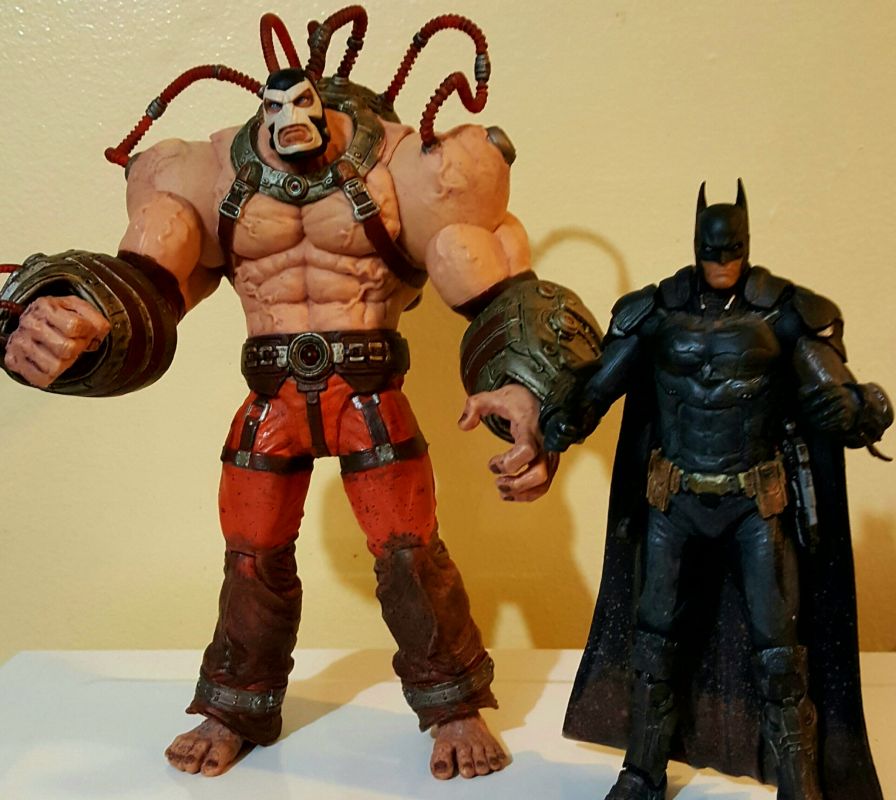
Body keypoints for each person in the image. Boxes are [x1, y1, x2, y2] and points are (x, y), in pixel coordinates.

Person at [0, 10, 600, 781]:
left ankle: (453, 704)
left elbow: (489, 286)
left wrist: (527, 394)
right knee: (250, 554)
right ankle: (236, 704)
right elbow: (152, 282)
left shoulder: (408, 172)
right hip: (271, 395)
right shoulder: (210, 175)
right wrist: (81, 316)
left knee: (409, 552)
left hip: (368, 390)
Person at [541, 181, 890, 800]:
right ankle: (643, 772)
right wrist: (560, 419)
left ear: (747, 244)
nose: (723, 261)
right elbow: (597, 388)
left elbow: (837, 394)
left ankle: (800, 784)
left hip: (755, 503)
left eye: (732, 250)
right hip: (672, 501)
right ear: (697, 243)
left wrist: (862, 407)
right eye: (713, 249)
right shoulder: (656, 312)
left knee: (779, 652)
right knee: (653, 642)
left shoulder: (786, 314)